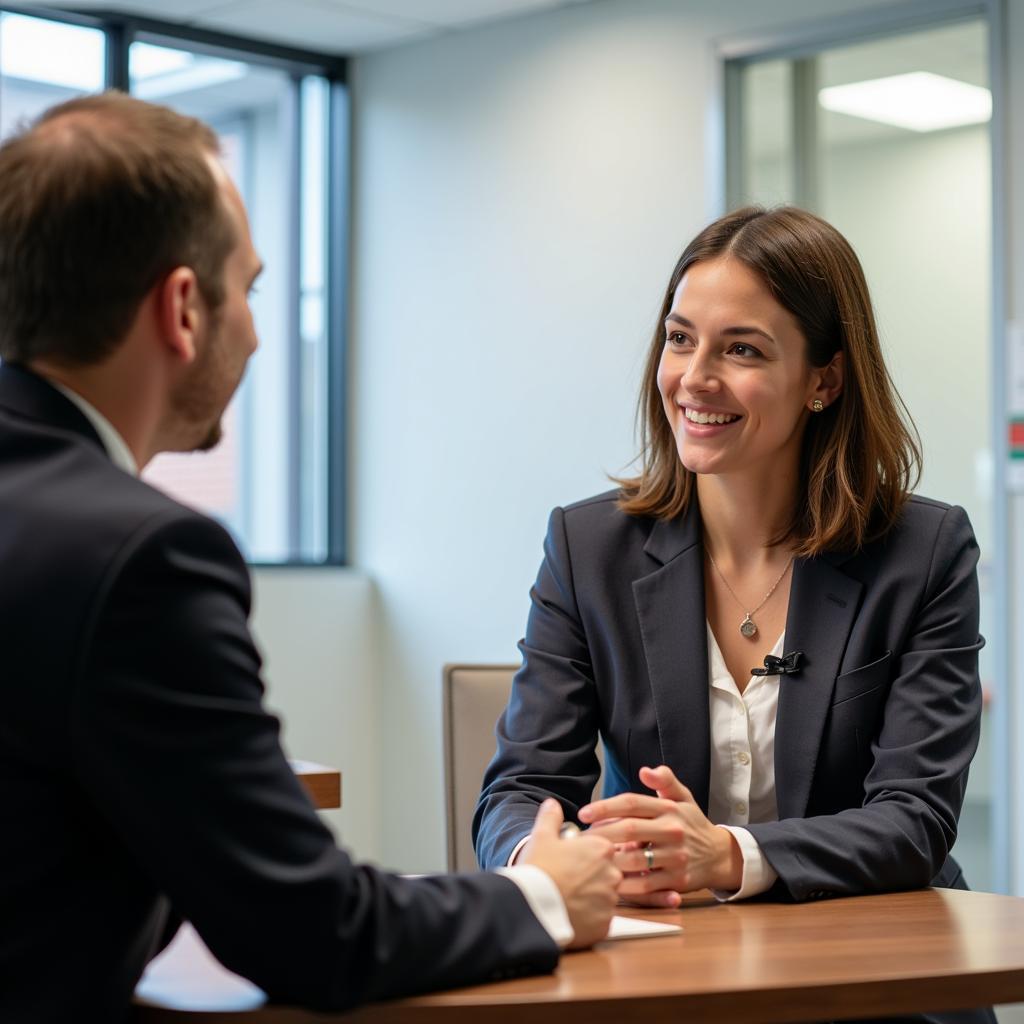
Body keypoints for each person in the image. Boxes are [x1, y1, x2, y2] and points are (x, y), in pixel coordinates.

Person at [0, 92, 621, 1024]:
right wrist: (548, 896)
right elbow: (312, 930)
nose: (254, 328)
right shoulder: (140, 558)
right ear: (181, 308)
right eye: (247, 289)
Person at [474, 206, 992, 1024]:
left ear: (825, 380)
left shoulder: (922, 552)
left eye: (741, 349)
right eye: (681, 339)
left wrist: (727, 855)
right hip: (663, 976)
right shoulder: (587, 548)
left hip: (878, 979)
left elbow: (915, 819)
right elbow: (524, 786)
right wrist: (541, 855)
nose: (694, 377)